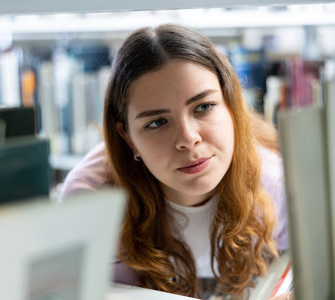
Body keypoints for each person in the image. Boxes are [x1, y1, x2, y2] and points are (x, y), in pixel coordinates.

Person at [59, 24, 290, 300]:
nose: (187, 139)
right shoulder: (91, 203)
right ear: (128, 137)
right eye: (157, 122)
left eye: (203, 107)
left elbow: (293, 275)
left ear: (231, 105)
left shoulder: (276, 181)